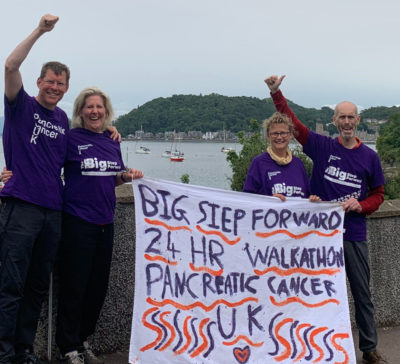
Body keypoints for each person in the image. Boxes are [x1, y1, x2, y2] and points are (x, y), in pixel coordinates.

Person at [265, 75, 386, 364]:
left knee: (361, 293)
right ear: (334, 120)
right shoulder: (320, 146)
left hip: (353, 233)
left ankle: (369, 349)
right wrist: (276, 93)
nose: (346, 122)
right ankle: (315, 347)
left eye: (350, 117)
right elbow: (292, 124)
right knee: (313, 292)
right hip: (317, 236)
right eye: (341, 117)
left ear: (357, 120)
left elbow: (380, 193)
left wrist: (363, 204)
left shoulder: (369, 157)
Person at [55, 87, 143, 364]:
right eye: (89, 107)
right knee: (74, 286)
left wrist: (127, 176)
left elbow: (114, 177)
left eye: (99, 107)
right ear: (80, 111)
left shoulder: (111, 140)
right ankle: (67, 348)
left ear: (106, 112)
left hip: (107, 221)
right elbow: (47, 165)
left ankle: (83, 341)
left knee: (97, 288)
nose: (95, 111)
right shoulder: (70, 139)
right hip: (77, 221)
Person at [0, 14, 69, 364]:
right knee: (10, 284)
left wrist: (110, 136)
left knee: (37, 285)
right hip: (20, 207)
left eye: (60, 84)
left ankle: (24, 349)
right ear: (40, 82)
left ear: (66, 89)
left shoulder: (62, 121)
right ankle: (4, 351)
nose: (54, 87)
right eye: (50, 81)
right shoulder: (20, 106)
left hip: (51, 211)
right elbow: (10, 65)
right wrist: (40, 31)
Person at [243, 111, 320, 202]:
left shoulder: (298, 164)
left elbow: (307, 196)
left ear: (290, 135)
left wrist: (314, 201)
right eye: (275, 133)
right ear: (268, 136)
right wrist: (270, 200)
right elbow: (247, 199)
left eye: (283, 133)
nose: (279, 137)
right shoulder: (258, 163)